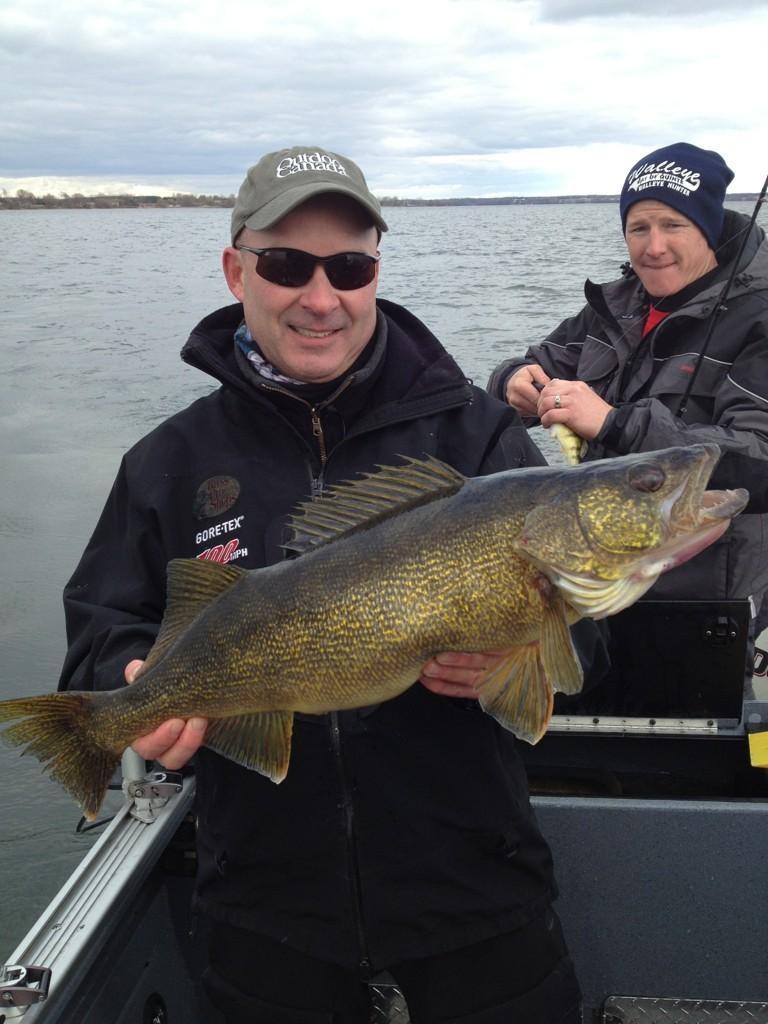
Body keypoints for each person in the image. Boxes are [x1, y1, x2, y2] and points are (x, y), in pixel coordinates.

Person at [58, 146, 589, 1023]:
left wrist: (523, 645)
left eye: (349, 266)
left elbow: (586, 631)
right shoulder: (169, 461)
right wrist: (123, 681)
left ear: (376, 270)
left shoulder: (478, 436)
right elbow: (103, 621)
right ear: (236, 270)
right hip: (267, 926)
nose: (320, 296)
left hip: (479, 903)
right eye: (285, 264)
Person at [488, 142, 768, 640]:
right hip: (597, 579)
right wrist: (513, 379)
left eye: (673, 225)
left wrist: (616, 423)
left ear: (707, 228)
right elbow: (538, 364)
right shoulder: (614, 305)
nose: (653, 246)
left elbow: (759, 462)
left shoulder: (758, 322)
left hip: (708, 602)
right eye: (639, 228)